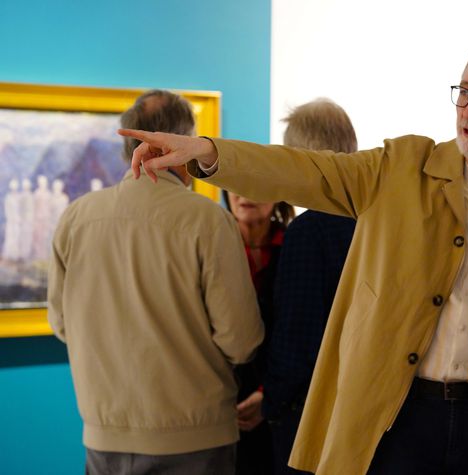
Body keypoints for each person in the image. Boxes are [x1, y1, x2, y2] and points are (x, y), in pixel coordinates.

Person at [119, 43, 468, 475]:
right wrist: (207, 151)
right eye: (464, 92)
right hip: (399, 412)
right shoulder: (402, 167)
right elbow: (305, 170)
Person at [48, 89, 264, 474]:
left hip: (105, 438)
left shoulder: (75, 219)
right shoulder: (208, 220)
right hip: (197, 438)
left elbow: (61, 325)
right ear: (180, 146)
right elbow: (241, 341)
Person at [263, 98, 358, 475]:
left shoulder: (309, 231)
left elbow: (296, 340)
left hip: (310, 418)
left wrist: (273, 403)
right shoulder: (375, 222)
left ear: (302, 160)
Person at [223, 188, 294, 474]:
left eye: (255, 184)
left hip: (285, 399)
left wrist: (270, 394)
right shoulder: (211, 244)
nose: (243, 193)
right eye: (235, 184)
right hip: (220, 400)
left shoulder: (296, 245)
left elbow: (306, 331)